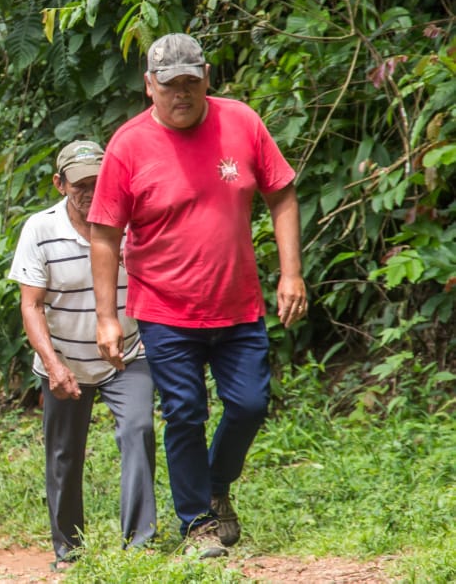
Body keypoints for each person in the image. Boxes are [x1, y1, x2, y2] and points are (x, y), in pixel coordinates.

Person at [88, 33, 307, 558]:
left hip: (237, 303)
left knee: (251, 404)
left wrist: (291, 273)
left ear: (207, 76)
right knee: (185, 411)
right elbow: (103, 234)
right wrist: (106, 319)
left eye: (191, 81)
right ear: (149, 86)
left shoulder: (242, 122)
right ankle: (198, 525)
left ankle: (215, 484)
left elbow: (282, 195)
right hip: (165, 308)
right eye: (169, 85)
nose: (181, 93)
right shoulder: (128, 145)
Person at [9, 140, 157, 569]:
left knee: (139, 430)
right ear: (60, 184)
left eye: (99, 180)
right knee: (63, 453)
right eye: (80, 184)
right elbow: (31, 305)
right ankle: (68, 551)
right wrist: (53, 365)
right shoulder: (40, 229)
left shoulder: (133, 223)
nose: (91, 191)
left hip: (127, 353)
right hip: (64, 359)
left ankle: (140, 545)